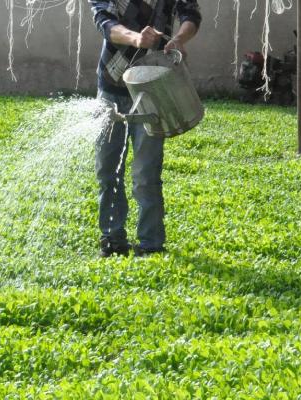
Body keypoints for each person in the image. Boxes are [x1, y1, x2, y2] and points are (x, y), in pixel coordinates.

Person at [89, 0, 202, 257]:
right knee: (108, 169)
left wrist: (179, 39)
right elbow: (105, 23)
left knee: (146, 172)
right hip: (111, 85)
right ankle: (112, 238)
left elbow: (191, 13)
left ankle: (150, 244)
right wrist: (136, 39)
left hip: (152, 86)